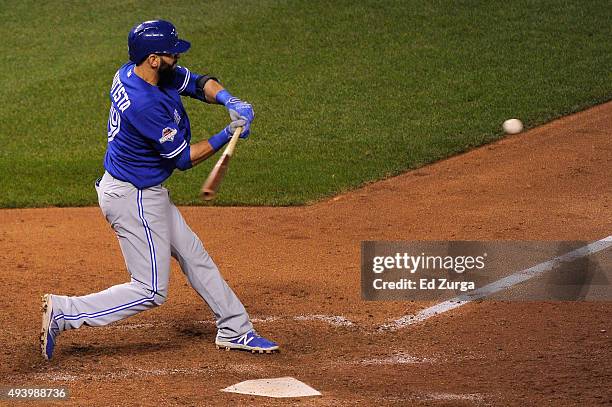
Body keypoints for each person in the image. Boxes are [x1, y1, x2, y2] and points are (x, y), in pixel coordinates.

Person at [39, 20, 278, 360]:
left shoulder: (139, 71)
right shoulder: (143, 104)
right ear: (153, 58)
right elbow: (182, 158)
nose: (176, 57)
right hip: (132, 197)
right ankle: (66, 312)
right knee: (150, 289)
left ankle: (235, 329)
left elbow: (196, 83)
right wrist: (226, 134)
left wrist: (228, 99)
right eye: (171, 53)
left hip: (141, 189)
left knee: (194, 255)